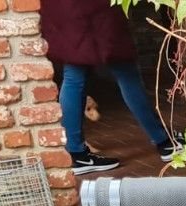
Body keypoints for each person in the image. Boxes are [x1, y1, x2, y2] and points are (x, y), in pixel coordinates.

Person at [39, 0, 174, 175]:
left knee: (74, 72)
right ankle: (164, 142)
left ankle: (75, 153)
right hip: (93, 9)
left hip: (61, 8)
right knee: (124, 69)